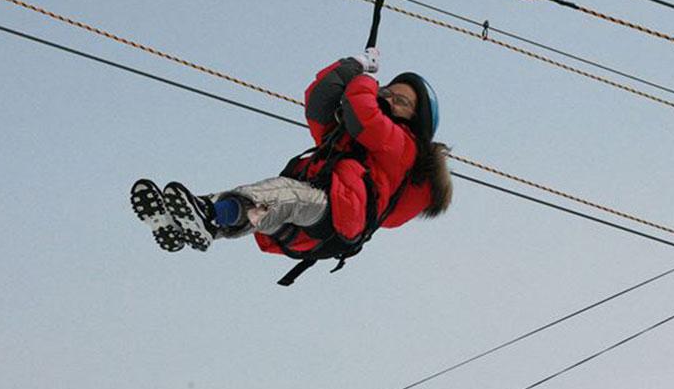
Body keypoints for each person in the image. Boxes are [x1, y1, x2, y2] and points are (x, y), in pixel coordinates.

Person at [130, 49, 452, 266]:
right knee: (269, 203)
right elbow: (318, 105)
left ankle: (209, 214)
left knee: (284, 195)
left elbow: (363, 114)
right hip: (313, 222)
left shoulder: (404, 147)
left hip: (339, 213)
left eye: (402, 102)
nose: (390, 100)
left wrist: (365, 80)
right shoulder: (345, 138)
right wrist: (349, 67)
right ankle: (191, 221)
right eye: (389, 92)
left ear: (415, 120)